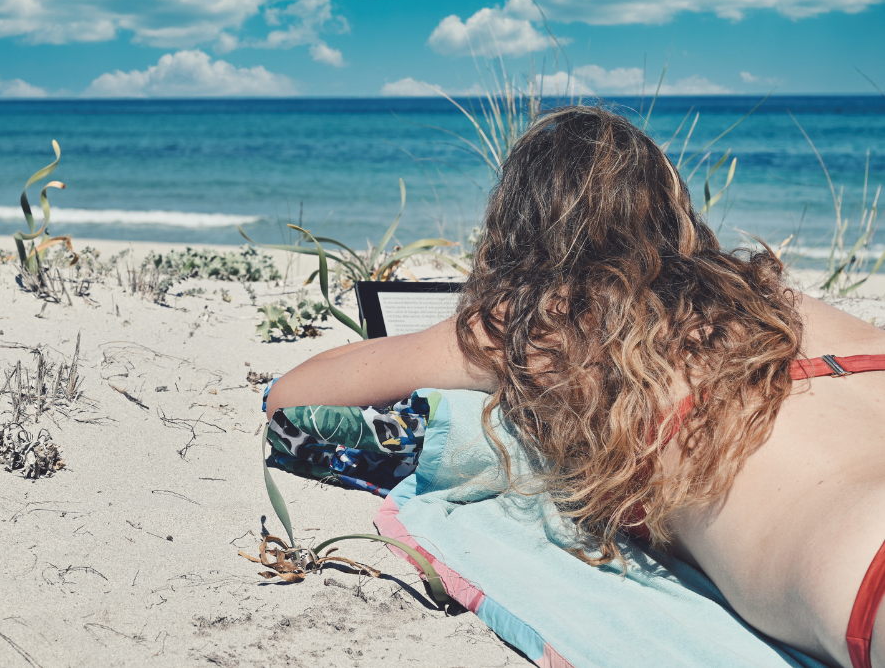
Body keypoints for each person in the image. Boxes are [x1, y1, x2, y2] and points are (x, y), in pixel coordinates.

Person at [265, 106, 885, 668]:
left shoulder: (551, 327)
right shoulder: (782, 300)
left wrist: (483, 319)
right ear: (674, 208)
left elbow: (291, 396)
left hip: (859, 558)